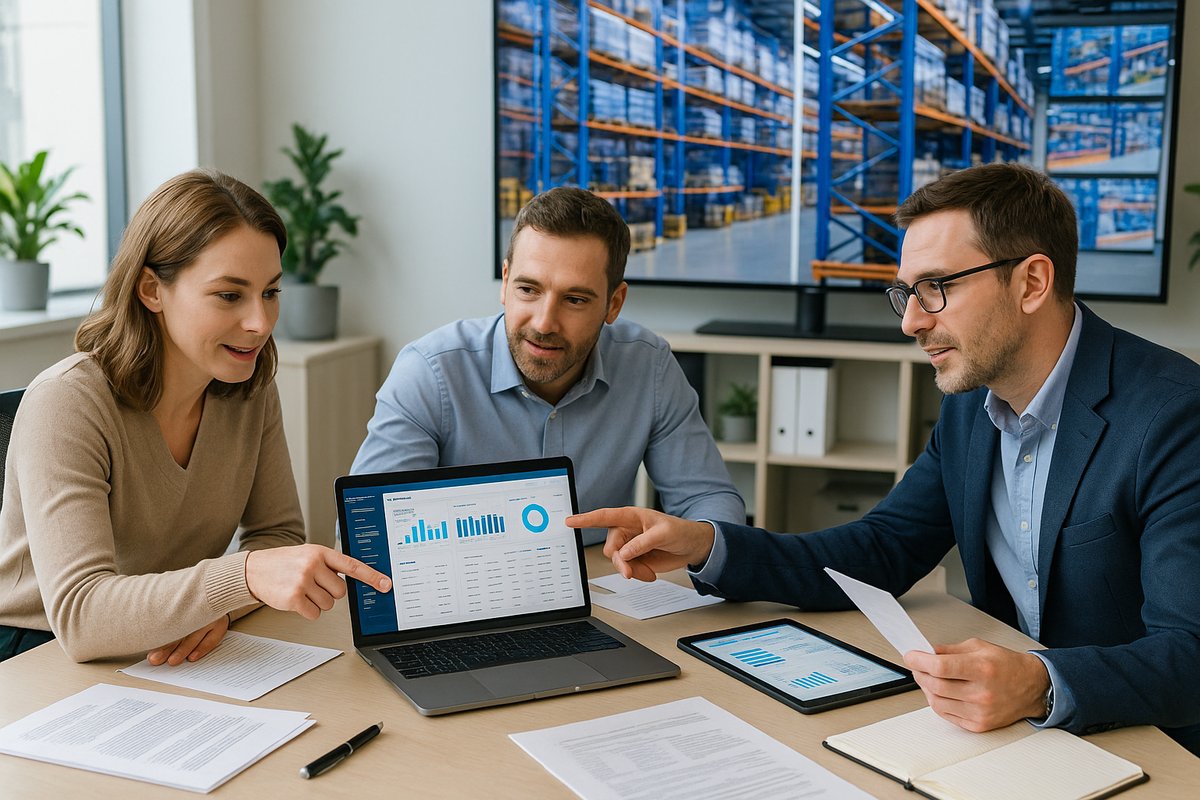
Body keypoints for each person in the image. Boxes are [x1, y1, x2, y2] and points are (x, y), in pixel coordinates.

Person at [568, 163, 1200, 755]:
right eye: (906, 295)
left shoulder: (1174, 418)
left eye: (936, 289)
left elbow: (1190, 652)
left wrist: (1040, 680)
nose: (912, 323)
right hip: (1013, 735)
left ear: (1032, 281)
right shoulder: (972, 405)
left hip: (1148, 743)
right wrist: (710, 545)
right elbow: (882, 549)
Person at [0, 169, 391, 665]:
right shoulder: (67, 402)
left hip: (167, 641)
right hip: (34, 653)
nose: (260, 323)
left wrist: (218, 608)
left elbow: (278, 536)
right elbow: (81, 615)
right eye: (230, 295)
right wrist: (238, 579)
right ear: (151, 290)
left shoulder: (248, 385)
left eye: (270, 292)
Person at [351, 186, 744, 544]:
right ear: (505, 283)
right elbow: (368, 530)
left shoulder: (649, 366)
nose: (543, 323)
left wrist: (694, 538)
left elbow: (711, 502)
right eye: (528, 289)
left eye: (575, 299)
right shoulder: (430, 372)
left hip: (603, 597)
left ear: (614, 303)